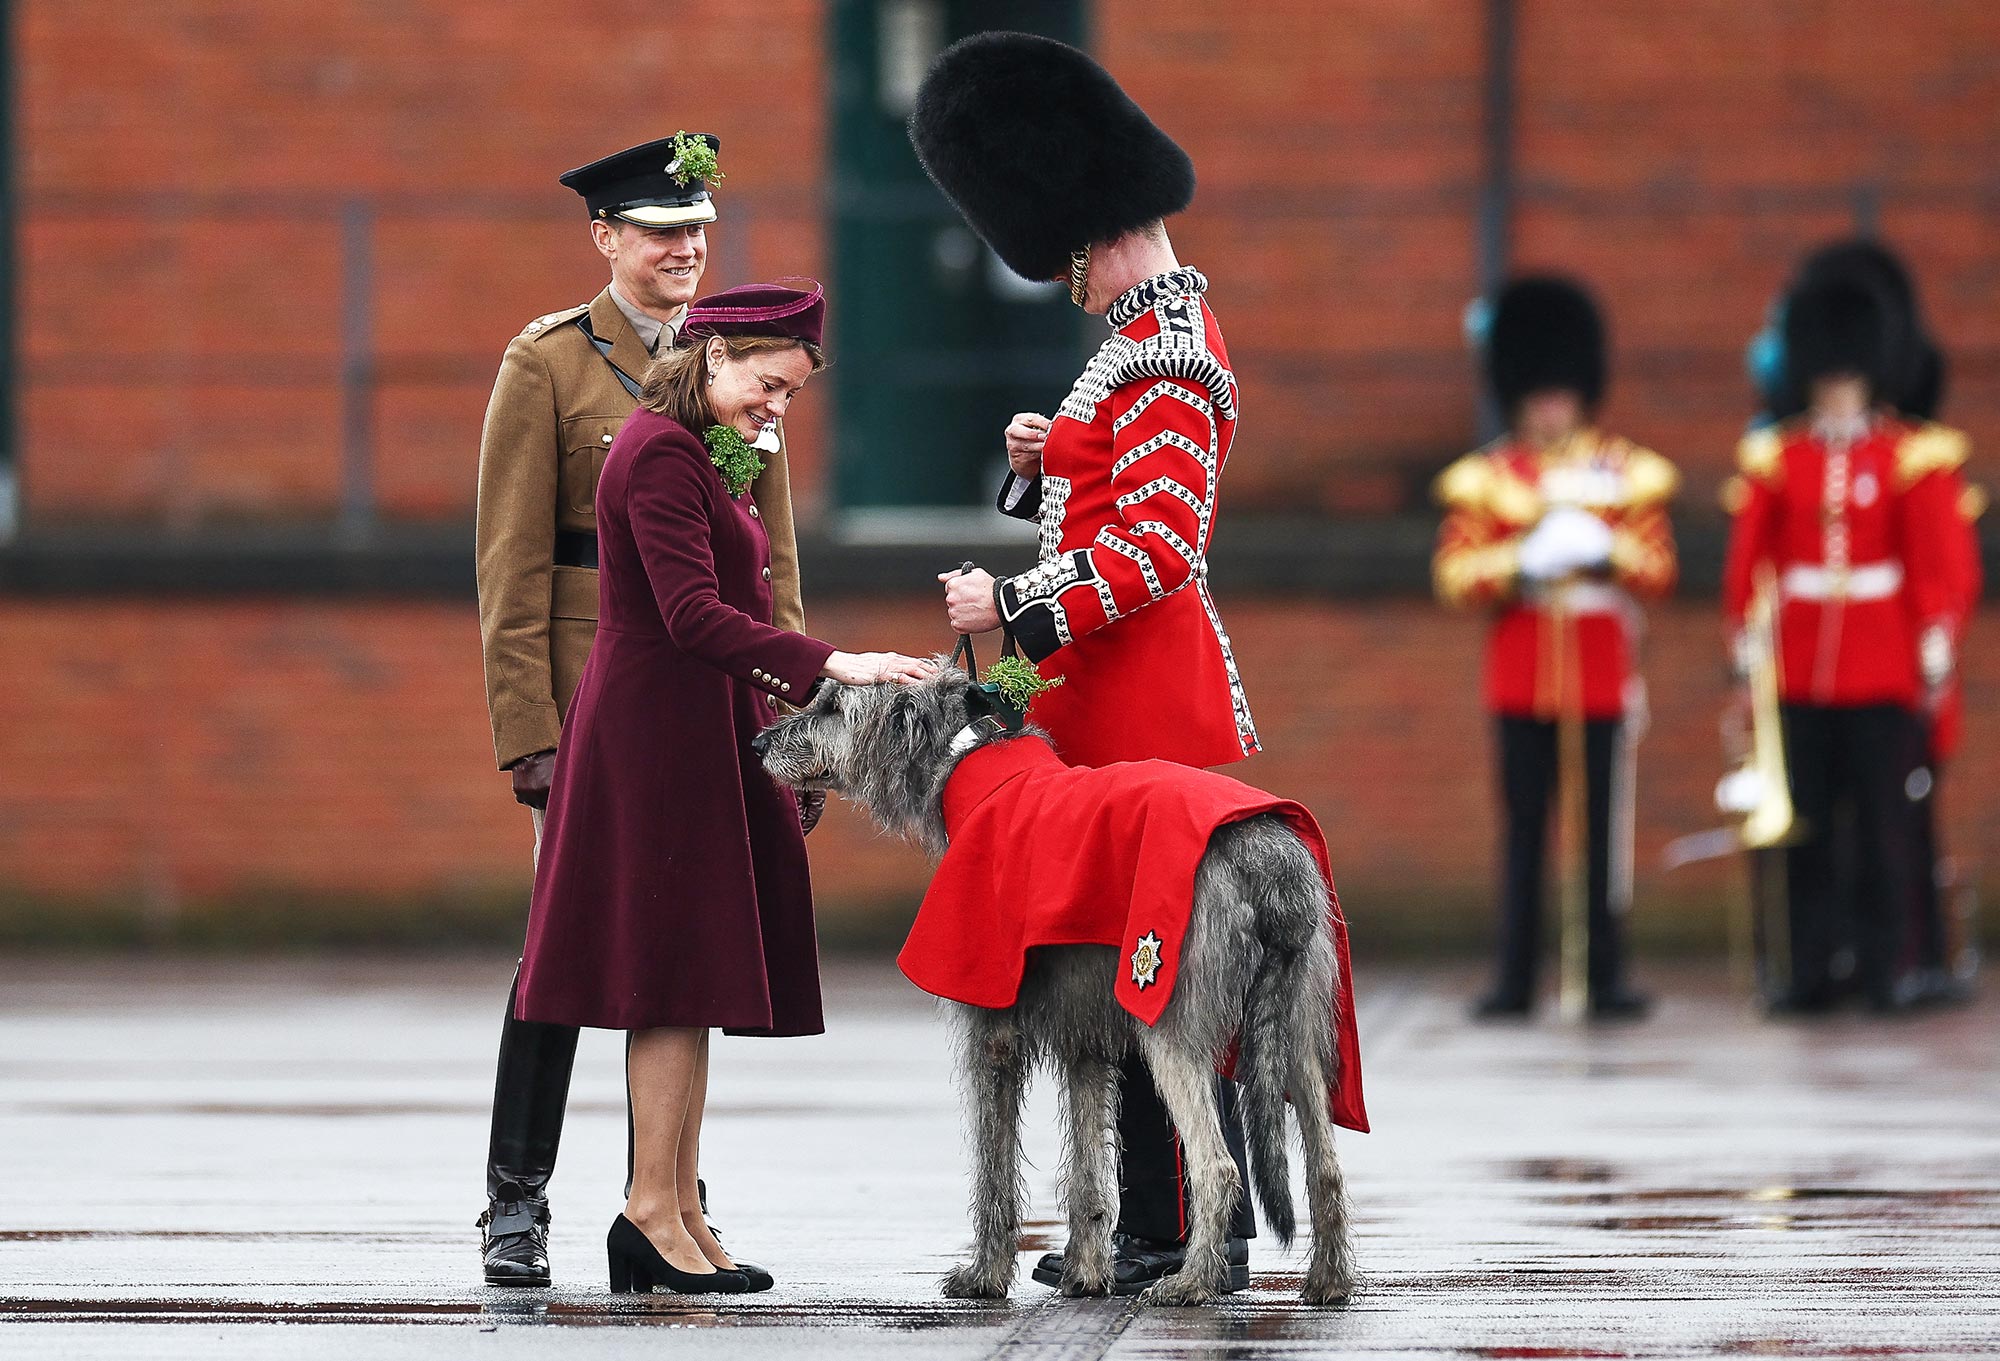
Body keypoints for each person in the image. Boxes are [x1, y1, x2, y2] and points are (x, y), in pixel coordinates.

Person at [910, 30, 1273, 1295]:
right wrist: (1041, 455)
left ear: (1092, 236)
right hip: (1103, 698)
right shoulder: (1135, 343)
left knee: (1156, 977)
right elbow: (1106, 491)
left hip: (1140, 703)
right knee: (1118, 975)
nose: (1062, 280)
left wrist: (1009, 603)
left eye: (1062, 258)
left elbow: (1161, 548)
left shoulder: (1165, 350)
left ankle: (1180, 1231)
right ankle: (1147, 1225)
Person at [513, 280, 932, 1295]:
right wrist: (836, 666)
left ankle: (680, 1208)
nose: (774, 406)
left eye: (790, 393)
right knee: (666, 978)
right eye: (764, 382)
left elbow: (733, 594)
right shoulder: (656, 451)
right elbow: (694, 615)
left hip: (698, 726)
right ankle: (648, 1211)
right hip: (656, 733)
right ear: (710, 357)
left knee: (689, 980)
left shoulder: (704, 451)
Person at [471, 132, 813, 1285]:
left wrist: (792, 715)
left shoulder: (745, 359)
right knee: (567, 950)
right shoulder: (549, 361)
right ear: (605, 238)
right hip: (595, 692)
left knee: (680, 944)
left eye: (697, 231)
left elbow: (771, 567)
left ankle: (664, 1198)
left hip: (715, 693)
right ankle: (516, 1197)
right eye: (661, 232)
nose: (684, 249)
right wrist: (529, 730)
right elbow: (511, 560)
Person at [1721, 264, 1971, 1014]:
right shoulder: (1779, 458)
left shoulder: (1909, 457)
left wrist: (1933, 639)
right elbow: (1750, 562)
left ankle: (1889, 963)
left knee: (1886, 825)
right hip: (1799, 666)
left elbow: (1935, 561)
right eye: (1826, 379)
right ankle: (1809, 967)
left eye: (1847, 378)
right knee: (1806, 830)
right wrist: (1745, 641)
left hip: (1883, 661)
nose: (1835, 392)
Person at [1433, 277, 1676, 1021]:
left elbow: (1658, 568)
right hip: (1521, 678)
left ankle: (1604, 975)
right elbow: (1455, 573)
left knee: (1601, 835)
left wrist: (1607, 551)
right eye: (1538, 393)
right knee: (1524, 834)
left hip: (1599, 680)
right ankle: (1515, 978)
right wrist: (1519, 564)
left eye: (1560, 392)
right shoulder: (1494, 478)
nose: (1550, 406)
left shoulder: (1623, 473)